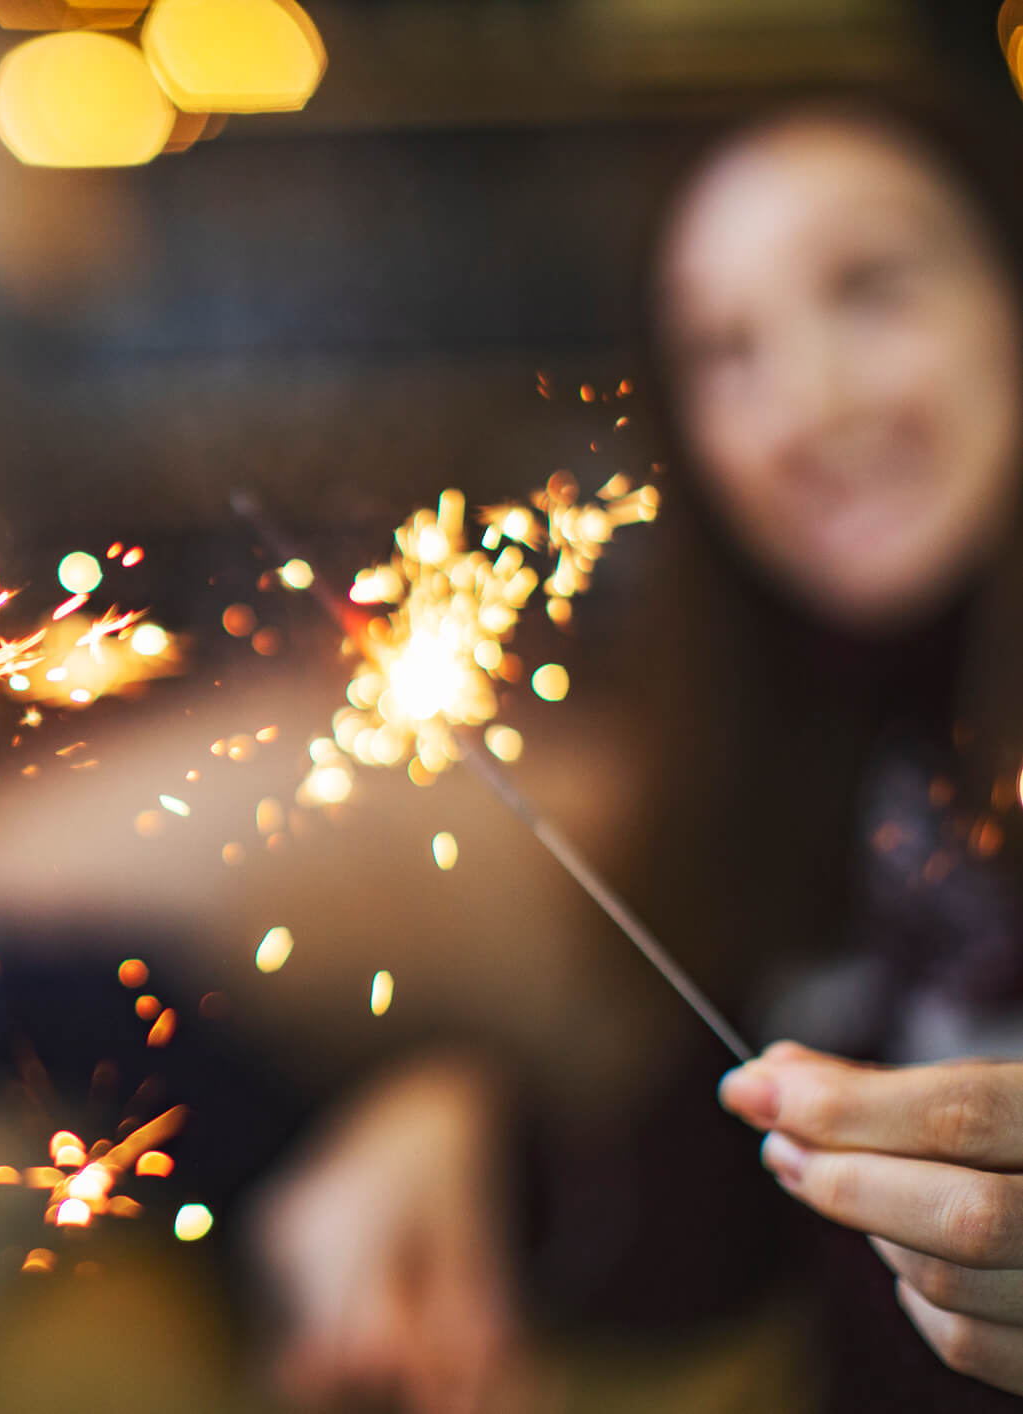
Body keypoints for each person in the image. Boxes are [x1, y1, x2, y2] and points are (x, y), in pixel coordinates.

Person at [255, 97, 1023, 1412]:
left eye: (871, 287)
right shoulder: (809, 770)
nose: (807, 405)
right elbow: (704, 1229)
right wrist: (458, 1130)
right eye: (724, 350)